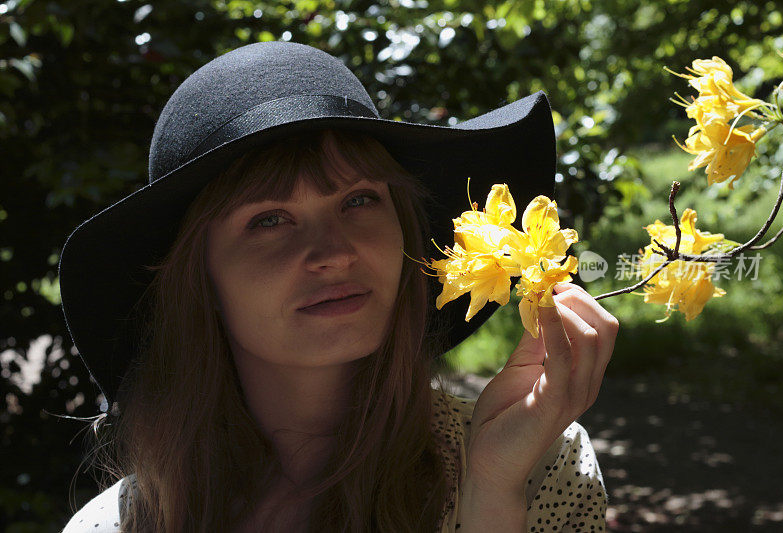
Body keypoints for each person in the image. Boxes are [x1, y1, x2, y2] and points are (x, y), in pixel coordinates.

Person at [58, 41, 618, 532]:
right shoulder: (116, 526)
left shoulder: (538, 465)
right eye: (269, 220)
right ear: (197, 279)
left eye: (358, 201)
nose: (335, 252)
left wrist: (493, 493)